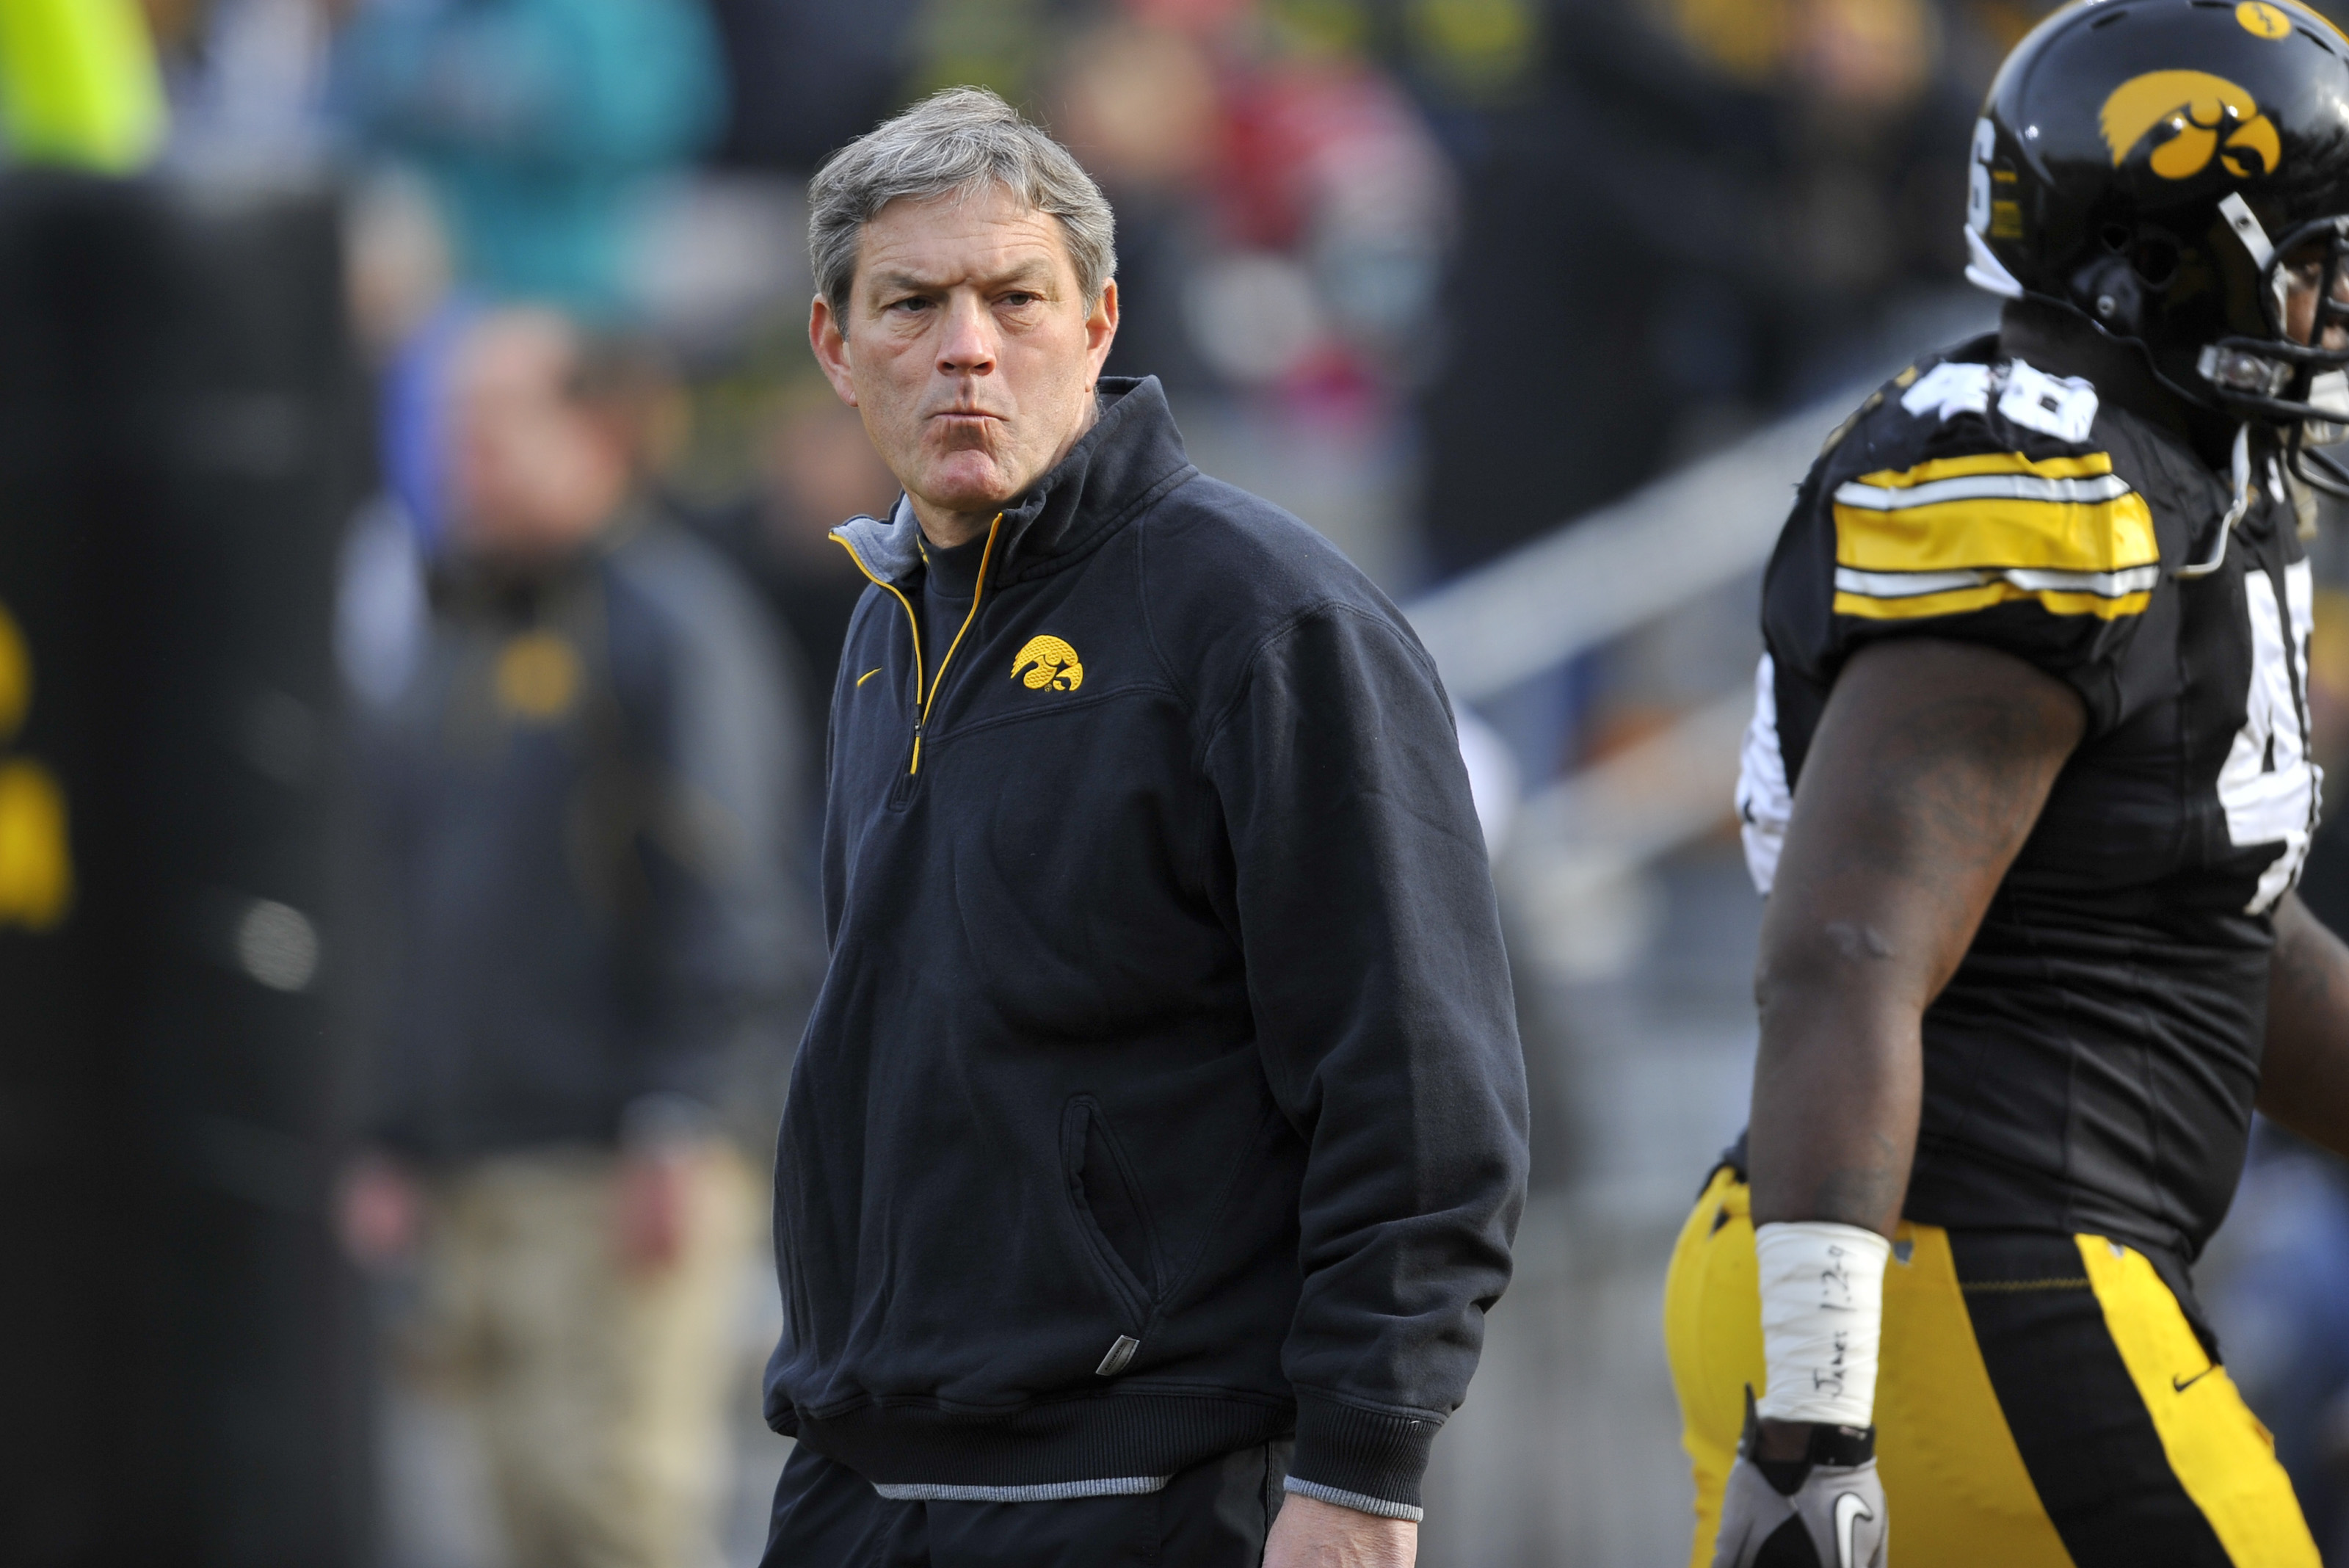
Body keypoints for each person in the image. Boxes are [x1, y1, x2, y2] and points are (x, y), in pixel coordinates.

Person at [759, 87, 1528, 1568]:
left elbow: (1420, 1085)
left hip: (1151, 1487)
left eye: (1014, 297)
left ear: (1101, 324)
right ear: (835, 349)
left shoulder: (1265, 620)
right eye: (911, 302)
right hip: (866, 1477)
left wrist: (1364, 1475)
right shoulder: (877, 634)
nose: (965, 346)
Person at [1666, 4, 2349, 1564]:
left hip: (1970, 1275)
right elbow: (1846, 950)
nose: (2332, 308)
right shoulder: (2037, 489)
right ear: (2176, 255)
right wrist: (1816, 1419)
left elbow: (2234, 942)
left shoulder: (2184, 493)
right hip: (1959, 1277)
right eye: (2313, 258)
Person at [338, 307, 811, 1568]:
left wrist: (684, 1114)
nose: (457, 458)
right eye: (446, 429)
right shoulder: (449, 628)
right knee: (511, 1524)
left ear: (601, 433)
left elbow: (735, 899)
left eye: (492, 425)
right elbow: (396, 906)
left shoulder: (667, 625)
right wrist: (385, 1128)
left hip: (614, 1171)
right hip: (464, 1172)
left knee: (618, 1518)